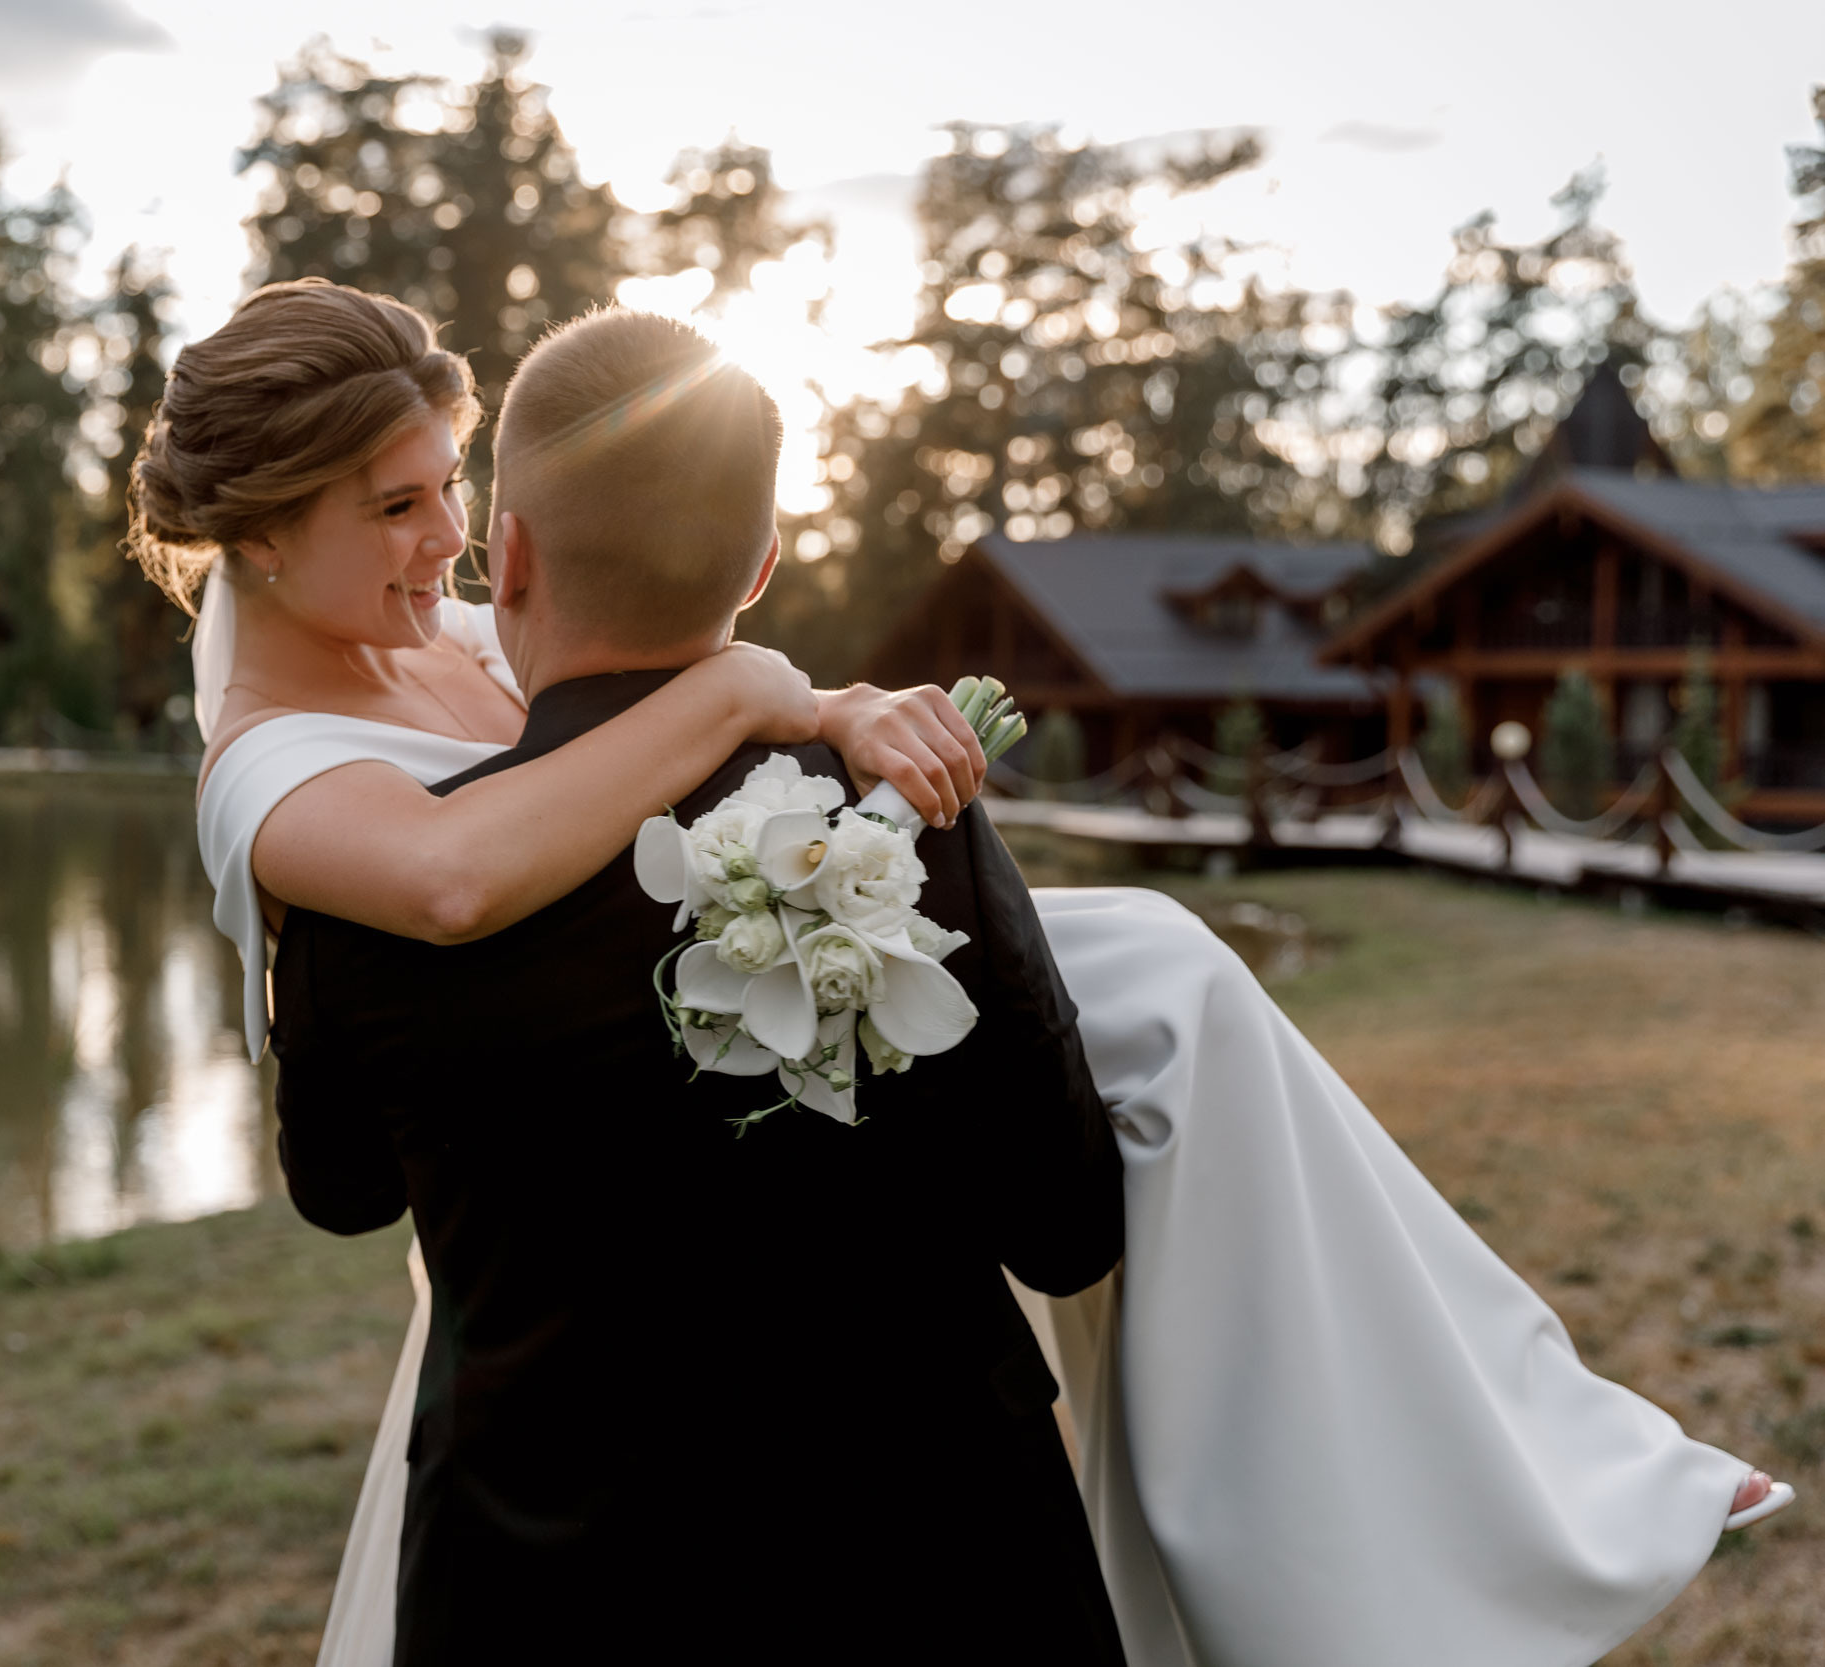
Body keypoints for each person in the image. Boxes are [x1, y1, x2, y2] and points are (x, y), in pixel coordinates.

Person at [148, 283, 1790, 1667]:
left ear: (508, 548)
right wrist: (758, 695)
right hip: (814, 1435)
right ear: (259, 540)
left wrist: (839, 714)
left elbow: (355, 1162)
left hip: (557, 1448)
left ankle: (1521, 1440)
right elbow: (459, 870)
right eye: (392, 506)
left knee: (1173, 983)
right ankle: (1450, 1509)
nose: (440, 540)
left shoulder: (449, 641)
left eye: (449, 491)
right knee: (1152, 989)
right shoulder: (289, 784)